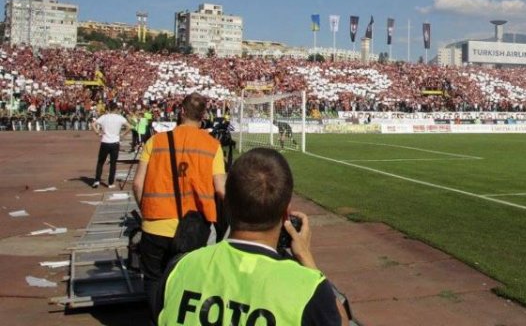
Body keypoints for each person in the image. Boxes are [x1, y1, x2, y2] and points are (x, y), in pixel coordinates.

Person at [154, 147, 348, 325]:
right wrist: (306, 257)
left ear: (226, 205)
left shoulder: (180, 268)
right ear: (286, 213)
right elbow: (340, 320)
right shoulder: (308, 288)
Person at [133, 93, 226, 318]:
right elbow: (222, 190)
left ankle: (159, 319)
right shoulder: (212, 146)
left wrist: (148, 210)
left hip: (155, 224)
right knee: (191, 281)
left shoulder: (155, 141)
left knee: (154, 278)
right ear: (203, 116)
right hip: (194, 230)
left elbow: (137, 184)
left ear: (181, 112)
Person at [91, 101, 131, 188]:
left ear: (109, 109)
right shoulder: (120, 117)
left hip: (105, 141)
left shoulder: (104, 117)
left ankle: (97, 180)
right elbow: (129, 127)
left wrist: (97, 132)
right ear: (116, 109)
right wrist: (122, 135)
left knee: (100, 162)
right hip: (115, 142)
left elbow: (93, 124)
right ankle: (110, 183)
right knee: (113, 163)